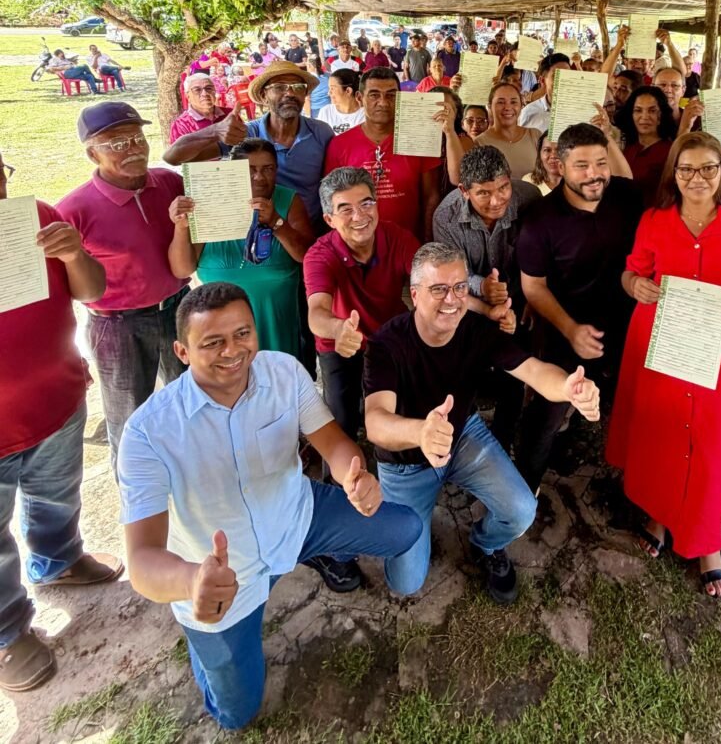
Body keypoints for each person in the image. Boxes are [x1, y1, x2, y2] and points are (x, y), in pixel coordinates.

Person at [118, 282, 420, 730]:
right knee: (236, 714)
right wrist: (192, 581)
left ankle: (314, 555)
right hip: (223, 576)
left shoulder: (283, 371)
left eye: (243, 333)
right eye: (213, 342)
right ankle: (206, 647)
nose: (233, 351)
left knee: (405, 528)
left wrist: (353, 477)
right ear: (181, 351)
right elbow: (142, 561)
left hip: (297, 518)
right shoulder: (148, 432)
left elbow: (332, 441)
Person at [364, 243, 600, 602]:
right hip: (405, 463)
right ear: (414, 294)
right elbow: (376, 423)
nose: (452, 299)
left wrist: (569, 387)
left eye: (459, 287)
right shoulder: (386, 344)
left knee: (521, 509)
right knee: (405, 583)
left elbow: (534, 371)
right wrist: (421, 432)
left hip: (462, 436)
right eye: (438, 289)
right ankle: (413, 530)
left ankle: (485, 543)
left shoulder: (475, 330)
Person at [606, 134, 721, 596]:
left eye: (707, 168)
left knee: (708, 438)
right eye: (687, 169)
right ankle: (659, 515)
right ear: (674, 173)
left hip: (715, 346)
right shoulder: (655, 219)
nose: (697, 178)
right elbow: (631, 271)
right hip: (661, 341)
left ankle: (706, 540)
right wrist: (634, 285)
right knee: (662, 431)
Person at [0, 153, 123, 693]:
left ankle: (58, 560)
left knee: (55, 496)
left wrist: (74, 253)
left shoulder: (39, 217)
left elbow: (91, 290)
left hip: (57, 401)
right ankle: (7, 633)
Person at [56, 102, 190, 462]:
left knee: (193, 401)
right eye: (117, 143)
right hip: (117, 326)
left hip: (179, 308)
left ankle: (193, 476)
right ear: (92, 154)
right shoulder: (72, 210)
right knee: (130, 419)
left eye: (137, 138)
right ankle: (135, 489)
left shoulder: (170, 183)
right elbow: (62, 291)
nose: (133, 149)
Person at [517, 123, 643, 493]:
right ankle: (525, 488)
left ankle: (627, 481)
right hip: (565, 330)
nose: (594, 174)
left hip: (627, 326)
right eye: (582, 165)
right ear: (560, 165)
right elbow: (533, 286)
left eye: (601, 163)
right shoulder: (540, 219)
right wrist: (571, 329)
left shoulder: (626, 196)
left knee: (626, 406)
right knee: (546, 415)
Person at [432, 147, 542, 446]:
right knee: (464, 372)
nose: (496, 201)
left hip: (520, 300)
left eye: (503, 188)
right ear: (464, 191)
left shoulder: (529, 198)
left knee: (515, 372)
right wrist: (482, 287)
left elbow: (541, 254)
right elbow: (451, 273)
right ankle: (459, 441)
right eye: (483, 193)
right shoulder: (446, 216)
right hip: (467, 304)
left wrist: (533, 297)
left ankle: (503, 441)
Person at [168, 138, 314, 359]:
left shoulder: (288, 201)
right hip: (221, 328)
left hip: (276, 322)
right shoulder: (208, 204)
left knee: (277, 374)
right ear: (232, 171)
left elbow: (307, 256)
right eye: (249, 170)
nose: (259, 177)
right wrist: (181, 226)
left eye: (268, 169)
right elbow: (182, 269)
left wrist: (276, 222)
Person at [305, 167, 420, 437]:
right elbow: (317, 312)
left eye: (366, 204)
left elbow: (429, 282)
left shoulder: (397, 237)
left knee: (397, 416)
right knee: (342, 425)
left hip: (389, 337)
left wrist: (484, 307)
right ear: (329, 219)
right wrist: (339, 329)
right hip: (340, 343)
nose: (359, 216)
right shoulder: (319, 255)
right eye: (345, 209)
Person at [323, 67, 443, 241]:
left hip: (408, 243)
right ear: (359, 98)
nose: (383, 102)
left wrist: (426, 242)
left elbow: (431, 196)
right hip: (358, 245)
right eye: (374, 95)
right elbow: (332, 200)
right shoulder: (339, 145)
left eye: (391, 95)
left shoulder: (419, 139)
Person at [244, 61, 336, 226]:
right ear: (264, 96)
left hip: (312, 229)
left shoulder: (321, 133)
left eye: (298, 87)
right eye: (279, 87)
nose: (290, 93)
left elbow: (332, 185)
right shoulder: (248, 134)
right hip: (259, 229)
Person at [614, 86, 676, 206]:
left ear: (661, 116)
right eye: (638, 110)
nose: (644, 117)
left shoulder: (670, 151)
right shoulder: (628, 148)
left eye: (652, 111)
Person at [474, 82, 544, 179]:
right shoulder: (480, 143)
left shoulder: (535, 135)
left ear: (521, 105)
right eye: (501, 102)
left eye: (513, 102)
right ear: (490, 106)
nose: (507, 107)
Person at [167, 73, 233, 146]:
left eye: (209, 88)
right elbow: (178, 152)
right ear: (187, 96)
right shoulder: (181, 125)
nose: (205, 94)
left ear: (215, 91)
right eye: (197, 90)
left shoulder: (230, 114)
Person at [519, 53, 572, 131]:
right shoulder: (528, 114)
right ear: (543, 81)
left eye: (568, 75)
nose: (563, 81)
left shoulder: (583, 111)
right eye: (556, 76)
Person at [316, 68, 366, 136]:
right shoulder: (325, 112)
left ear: (348, 91)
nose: (329, 93)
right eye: (329, 88)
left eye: (332, 88)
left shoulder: (365, 115)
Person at [524, 131, 562, 196]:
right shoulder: (529, 181)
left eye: (559, 150)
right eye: (547, 150)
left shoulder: (576, 182)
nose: (553, 156)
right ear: (539, 154)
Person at [305, 55, 331, 120]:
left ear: (309, 66)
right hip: (329, 108)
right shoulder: (329, 76)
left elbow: (307, 99)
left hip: (315, 111)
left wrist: (307, 116)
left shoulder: (307, 79)